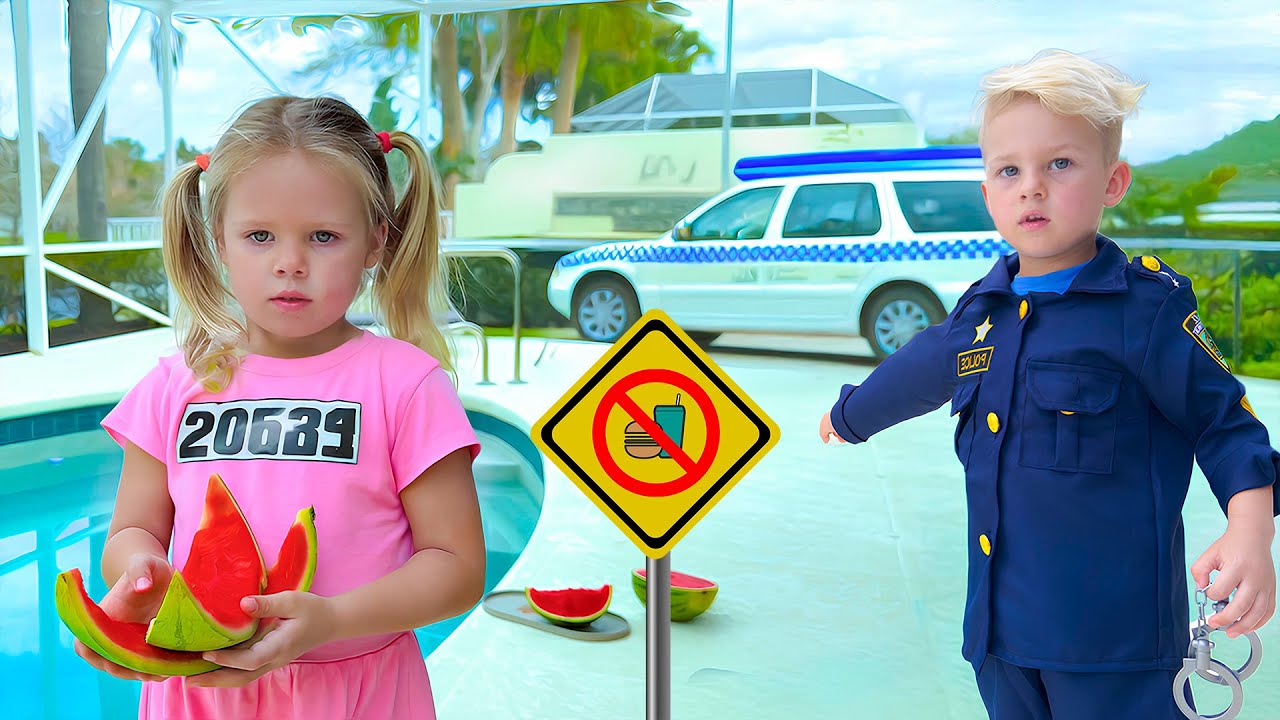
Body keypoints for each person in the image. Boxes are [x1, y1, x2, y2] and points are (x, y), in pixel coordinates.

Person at [818, 49, 1278, 718]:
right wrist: (853, 414)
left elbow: (1225, 424)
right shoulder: (983, 310)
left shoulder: (1145, 312)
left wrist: (1250, 530)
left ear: (1112, 181)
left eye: (1059, 164)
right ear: (988, 194)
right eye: (1009, 170)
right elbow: (924, 367)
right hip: (1000, 637)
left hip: (1112, 646)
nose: (1031, 186)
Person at [75, 95, 487, 719]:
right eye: (259, 236)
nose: (289, 263)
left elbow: (456, 567)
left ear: (376, 241)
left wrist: (334, 619)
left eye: (324, 237)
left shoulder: (405, 384)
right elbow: (133, 531)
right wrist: (139, 574)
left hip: (355, 693)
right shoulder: (172, 386)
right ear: (219, 239)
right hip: (200, 693)